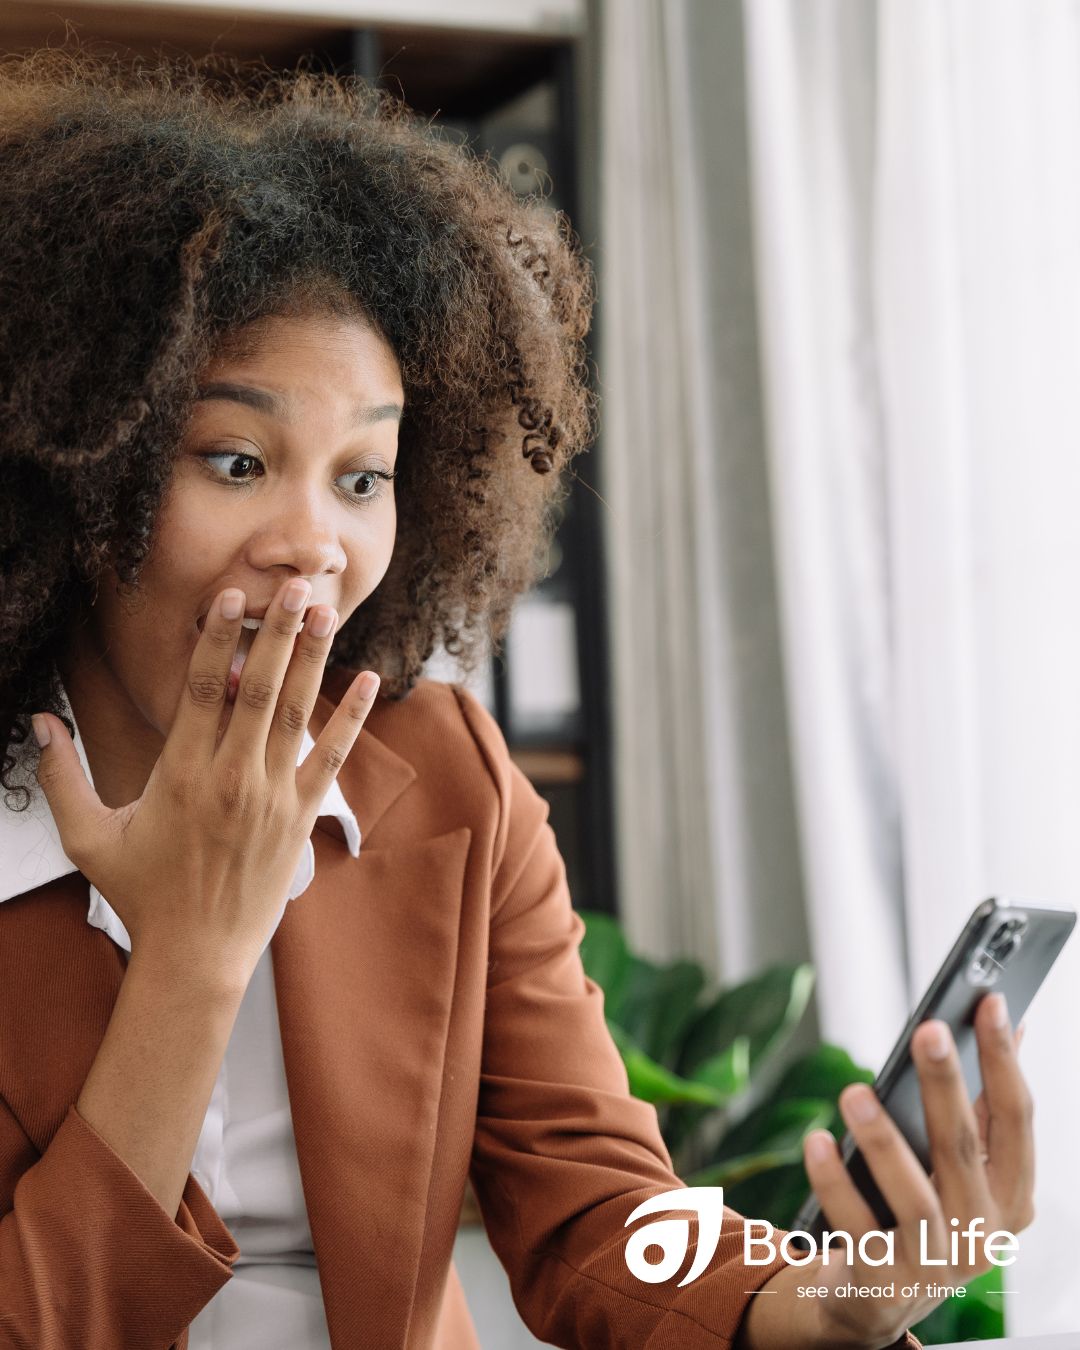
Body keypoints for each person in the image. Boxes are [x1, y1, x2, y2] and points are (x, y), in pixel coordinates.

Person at [0, 45, 1034, 1350]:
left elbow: (604, 1210)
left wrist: (829, 1298)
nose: (312, 539)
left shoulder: (441, 769)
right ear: (76, 471)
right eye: (239, 457)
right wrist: (195, 960)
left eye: (363, 475)